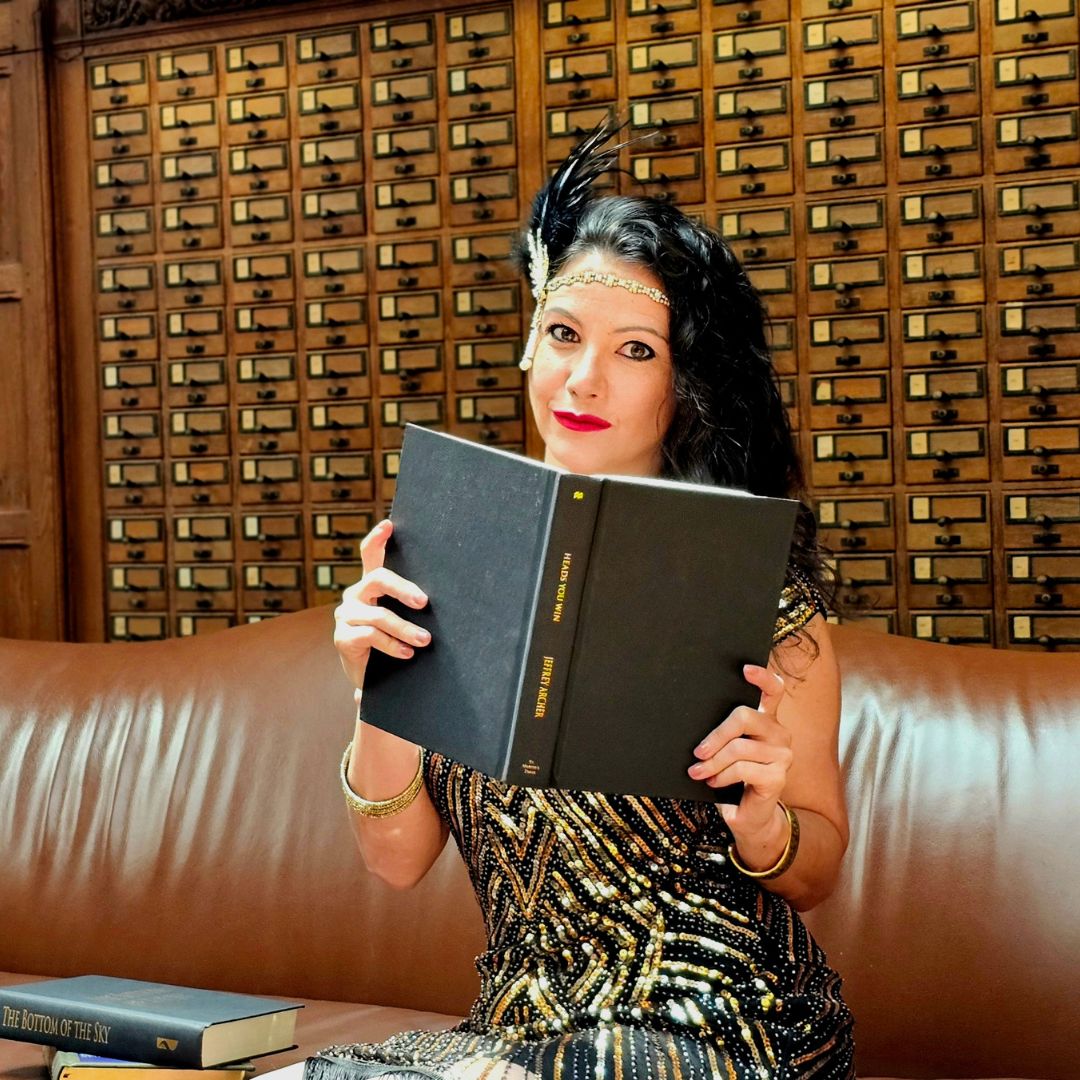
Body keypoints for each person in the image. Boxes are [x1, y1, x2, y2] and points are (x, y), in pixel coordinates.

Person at [321, 122, 854, 1080]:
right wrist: (378, 693)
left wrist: (766, 817)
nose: (584, 378)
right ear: (529, 346)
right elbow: (395, 863)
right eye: (563, 335)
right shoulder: (443, 558)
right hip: (517, 1036)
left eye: (635, 351)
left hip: (726, 1022)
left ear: (684, 386)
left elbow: (813, 872)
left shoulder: (769, 605)